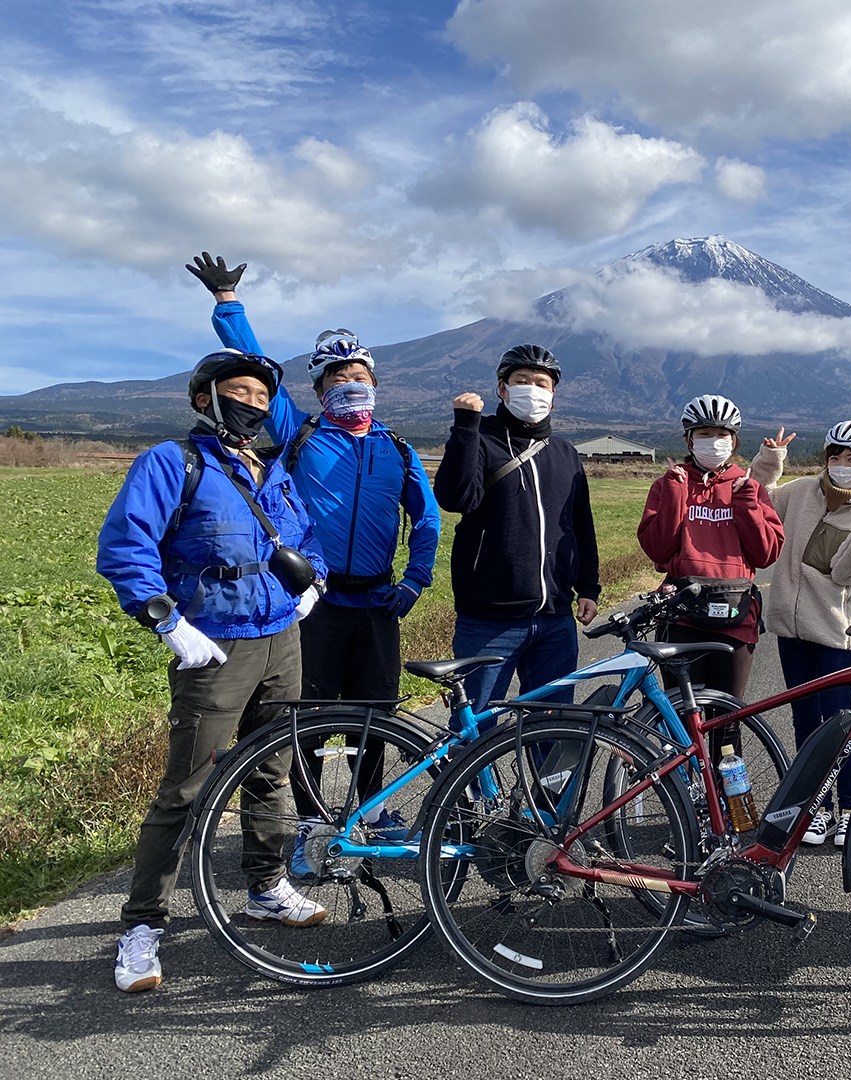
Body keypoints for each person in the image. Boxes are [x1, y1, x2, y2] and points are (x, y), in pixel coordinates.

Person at [187, 254, 442, 865]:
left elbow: (427, 518)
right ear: (319, 390)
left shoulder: (398, 448)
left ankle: (372, 810)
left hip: (379, 601)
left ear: (375, 386)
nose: (349, 389)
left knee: (375, 715)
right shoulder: (300, 433)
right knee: (311, 716)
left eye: (359, 379)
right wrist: (228, 300)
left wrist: (414, 582)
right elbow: (257, 365)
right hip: (317, 601)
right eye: (335, 382)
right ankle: (307, 821)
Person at [98, 346, 329, 993]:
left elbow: (304, 539)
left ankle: (265, 887)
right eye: (239, 393)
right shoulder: (173, 463)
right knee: (185, 790)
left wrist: (313, 583)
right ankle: (142, 925)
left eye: (261, 397)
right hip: (216, 646)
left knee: (272, 772)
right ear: (205, 398)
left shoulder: (270, 468)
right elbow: (125, 545)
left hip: (281, 638)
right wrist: (169, 622)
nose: (251, 405)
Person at [750, 421, 851, 846]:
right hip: (791, 628)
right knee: (805, 721)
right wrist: (770, 461)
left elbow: (843, 572)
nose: (841, 465)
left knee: (841, 726)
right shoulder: (800, 491)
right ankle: (813, 810)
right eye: (835, 457)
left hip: (837, 633)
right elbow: (755, 501)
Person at [432, 344, 600, 710]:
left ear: (553, 395)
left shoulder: (565, 453)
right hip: (488, 621)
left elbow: (580, 525)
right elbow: (454, 499)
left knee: (554, 732)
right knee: (473, 733)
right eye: (521, 380)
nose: (532, 389)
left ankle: (549, 772)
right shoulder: (481, 439)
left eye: (541, 383)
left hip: (556, 619)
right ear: (502, 389)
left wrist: (588, 586)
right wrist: (465, 426)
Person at [637, 394, 784, 704]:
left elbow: (766, 554)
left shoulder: (749, 487)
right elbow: (657, 550)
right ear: (689, 440)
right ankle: (686, 757)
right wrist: (676, 496)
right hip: (680, 617)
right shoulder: (668, 484)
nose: (713, 441)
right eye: (704, 433)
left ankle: (726, 756)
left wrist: (745, 504)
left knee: (728, 717)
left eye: (722, 434)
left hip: (735, 615)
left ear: (734, 441)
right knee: (680, 713)